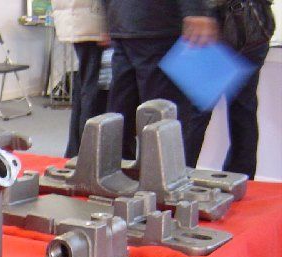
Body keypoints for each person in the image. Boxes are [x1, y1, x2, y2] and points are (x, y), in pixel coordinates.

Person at [102, 0, 218, 165]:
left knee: (122, 114)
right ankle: (165, 176)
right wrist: (195, 10)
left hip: (123, 21)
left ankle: (118, 174)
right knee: (164, 117)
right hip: (158, 23)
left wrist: (108, 18)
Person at [190, 0, 276, 178]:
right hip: (254, 25)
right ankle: (240, 182)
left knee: (194, 113)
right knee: (243, 111)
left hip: (223, 24)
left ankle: (177, 182)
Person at [52, 0, 110, 158]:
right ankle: (87, 152)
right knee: (93, 89)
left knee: (85, 85)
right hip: (93, 19)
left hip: (78, 18)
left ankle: (76, 151)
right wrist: (107, 25)